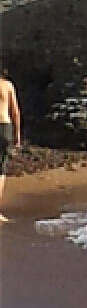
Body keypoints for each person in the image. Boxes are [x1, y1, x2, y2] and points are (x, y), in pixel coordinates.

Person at [0, 74, 21, 223]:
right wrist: (17, 134)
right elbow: (15, 111)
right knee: (0, 171)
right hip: (3, 127)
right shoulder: (7, 85)